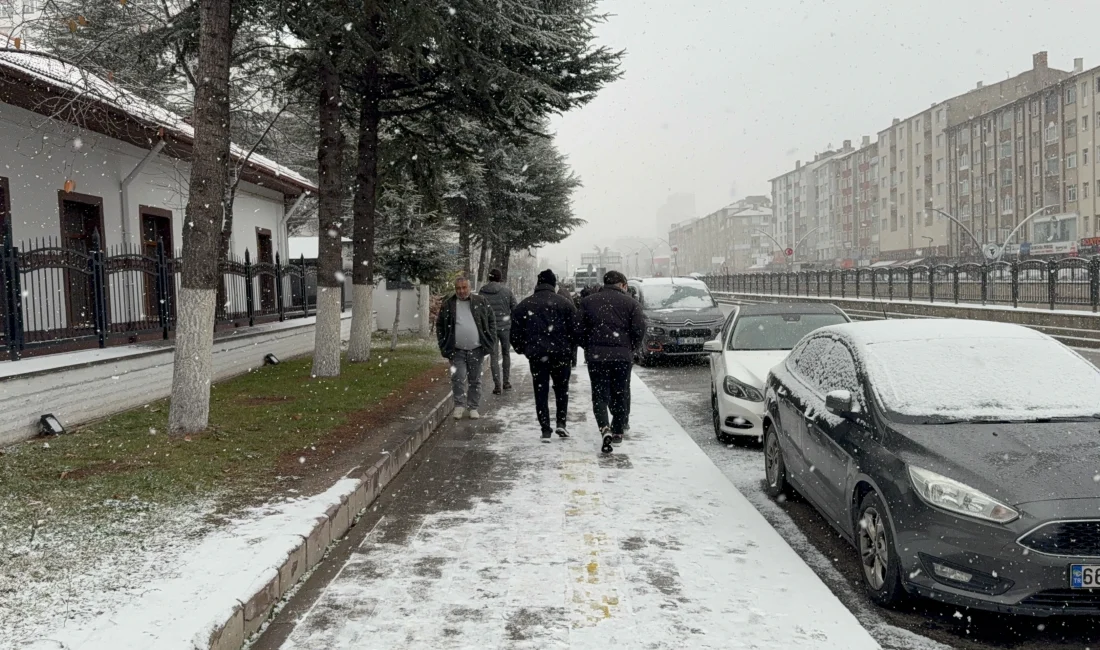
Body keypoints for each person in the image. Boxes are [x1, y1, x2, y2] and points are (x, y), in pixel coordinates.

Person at [578, 270, 646, 450]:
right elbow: (640, 329)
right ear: (622, 285)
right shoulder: (631, 303)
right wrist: (631, 347)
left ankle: (604, 427)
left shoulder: (588, 302)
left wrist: (589, 346)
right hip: (622, 357)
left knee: (599, 394)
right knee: (620, 392)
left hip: (597, 357)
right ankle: (617, 430)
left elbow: (577, 329)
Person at [510, 269, 578, 442]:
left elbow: (515, 333)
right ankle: (561, 423)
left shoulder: (525, 305)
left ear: (537, 283)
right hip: (561, 354)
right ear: (554, 284)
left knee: (541, 390)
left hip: (538, 355)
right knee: (562, 389)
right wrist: (570, 351)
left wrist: (523, 349)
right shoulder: (565, 304)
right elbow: (575, 331)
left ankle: (545, 429)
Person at [436, 277, 497, 420]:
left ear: (470, 288)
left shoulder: (480, 301)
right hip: (456, 350)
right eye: (458, 288)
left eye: (464, 288)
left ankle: (473, 407)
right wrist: (443, 343)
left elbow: (491, 320)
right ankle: (459, 405)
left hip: (476, 348)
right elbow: (440, 325)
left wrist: (490, 338)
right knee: (458, 377)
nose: (461, 291)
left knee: (475, 379)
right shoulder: (449, 304)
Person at [478, 269, 517, 395]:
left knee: (494, 356)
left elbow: (478, 311)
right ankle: (506, 381)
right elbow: (515, 308)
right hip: (505, 328)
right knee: (506, 354)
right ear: (500, 278)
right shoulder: (507, 291)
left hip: (491, 329)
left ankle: (497, 385)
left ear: (489, 278)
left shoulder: (482, 292)